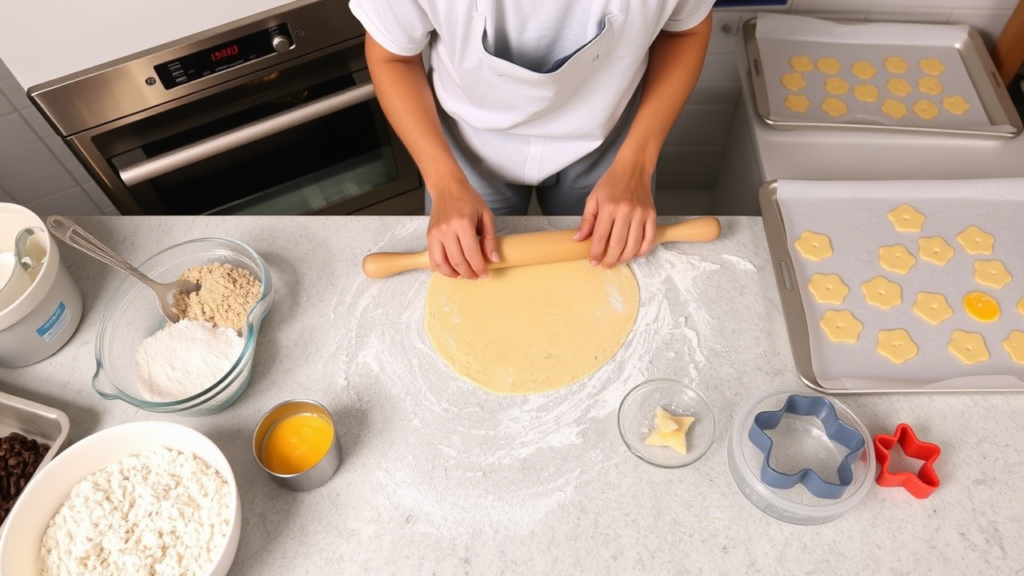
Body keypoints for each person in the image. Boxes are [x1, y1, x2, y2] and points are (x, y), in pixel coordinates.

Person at [351, 0, 713, 278]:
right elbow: (392, 57)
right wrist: (444, 184)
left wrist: (636, 165)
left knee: (602, 275)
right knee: (469, 279)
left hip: (610, 145)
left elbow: (684, 31)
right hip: (465, 149)